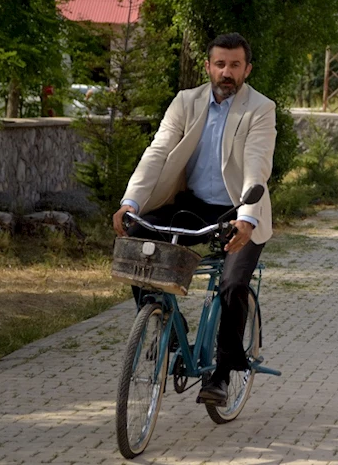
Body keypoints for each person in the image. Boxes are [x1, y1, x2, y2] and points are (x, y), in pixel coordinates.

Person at [112, 33, 277, 405]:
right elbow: (157, 151)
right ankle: (166, 326)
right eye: (220, 64)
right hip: (194, 205)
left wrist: (247, 218)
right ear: (208, 66)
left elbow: (257, 166)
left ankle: (222, 374)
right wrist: (131, 202)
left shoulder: (260, 109)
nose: (226, 72)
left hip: (239, 211)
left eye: (235, 65)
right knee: (136, 240)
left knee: (232, 285)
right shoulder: (185, 102)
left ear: (247, 69)